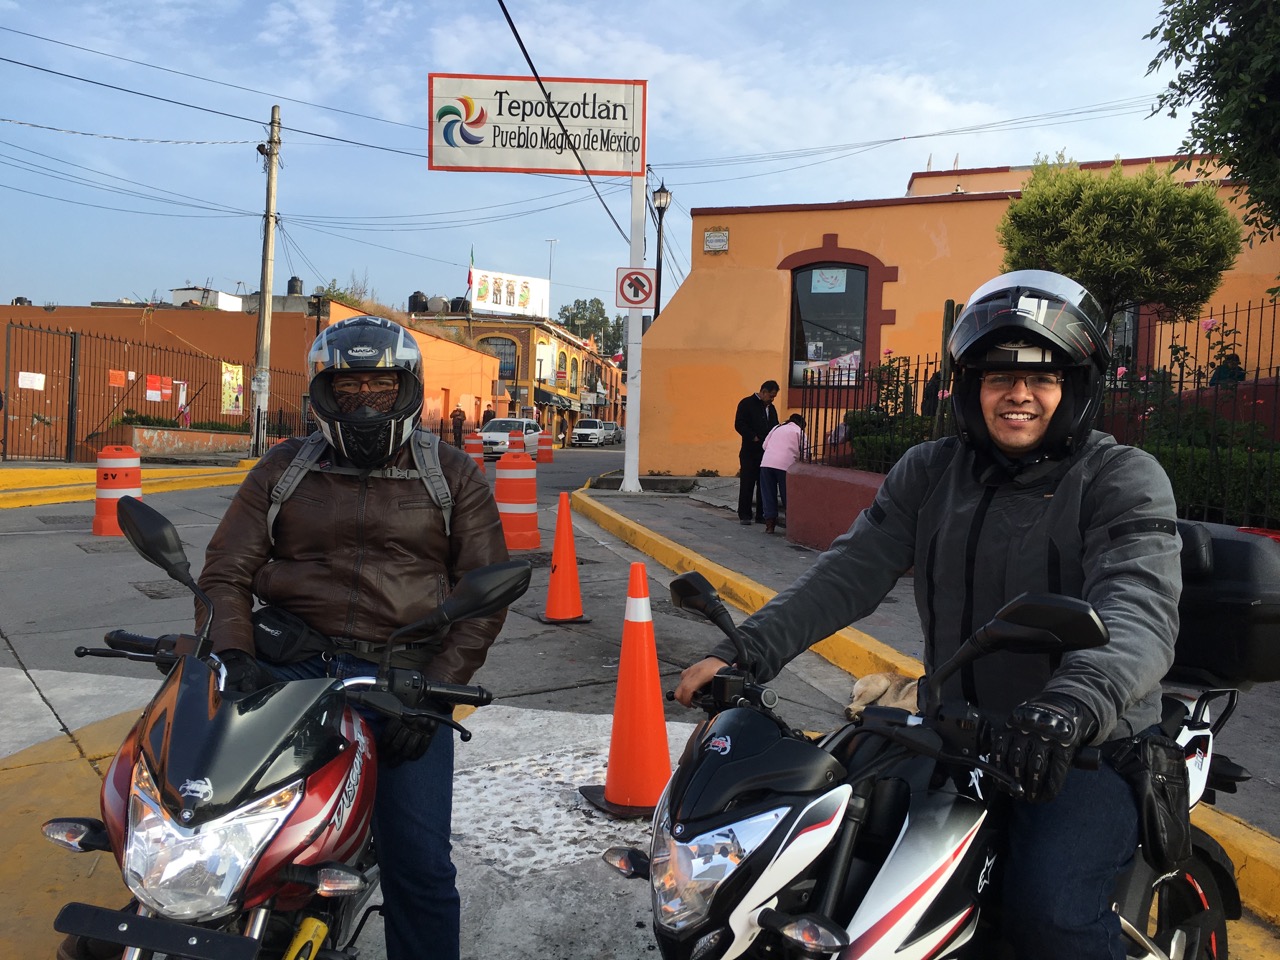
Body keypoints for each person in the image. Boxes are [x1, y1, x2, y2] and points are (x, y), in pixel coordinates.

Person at [677, 271, 1182, 960]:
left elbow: (1139, 605)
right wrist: (748, 651)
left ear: (1077, 387)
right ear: (971, 386)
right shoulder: (931, 470)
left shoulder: (1121, 477)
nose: (1020, 395)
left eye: (1044, 377)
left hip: (1080, 746)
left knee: (1050, 920)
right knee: (834, 880)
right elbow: (848, 572)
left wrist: (1074, 702)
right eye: (998, 375)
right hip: (950, 735)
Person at [197, 316, 508, 960]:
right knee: (219, 822)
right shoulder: (281, 468)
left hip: (403, 679)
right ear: (324, 394)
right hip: (290, 670)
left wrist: (435, 693)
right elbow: (226, 571)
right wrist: (234, 652)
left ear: (409, 391)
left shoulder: (451, 474)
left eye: (380, 389)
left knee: (420, 863)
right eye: (350, 390)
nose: (365, 404)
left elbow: (482, 592)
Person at [734, 380, 780, 525]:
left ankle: (761, 514)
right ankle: (745, 514)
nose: (772, 399)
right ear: (764, 392)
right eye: (771, 396)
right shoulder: (746, 403)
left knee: (763, 484)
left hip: (766, 452)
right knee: (747, 482)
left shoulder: (771, 409)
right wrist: (752, 436)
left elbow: (774, 425)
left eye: (774, 397)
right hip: (750, 450)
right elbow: (739, 424)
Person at [759, 413, 807, 534]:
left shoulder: (776, 427)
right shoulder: (799, 432)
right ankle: (790, 523)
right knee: (787, 495)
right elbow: (805, 453)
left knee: (768, 494)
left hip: (767, 463)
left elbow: (764, 446)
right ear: (801, 424)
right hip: (786, 466)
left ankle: (770, 525)